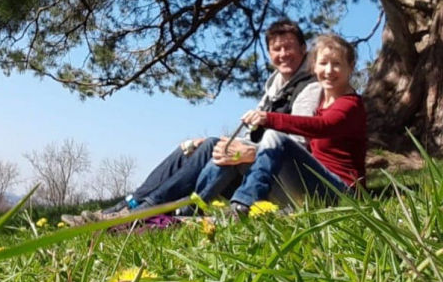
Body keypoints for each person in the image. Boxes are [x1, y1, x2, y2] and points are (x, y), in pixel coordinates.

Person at [63, 20, 322, 223]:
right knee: (193, 147)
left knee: (211, 145)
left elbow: (295, 145)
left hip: (284, 181)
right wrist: (231, 147)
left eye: (289, 46)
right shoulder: (274, 87)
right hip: (258, 171)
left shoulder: (309, 88)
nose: (283, 53)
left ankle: (143, 213)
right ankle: (127, 206)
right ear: (269, 54)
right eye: (276, 48)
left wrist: (246, 152)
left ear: (303, 49)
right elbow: (254, 135)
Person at [200, 33, 366, 216]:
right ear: (314, 66)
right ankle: (194, 206)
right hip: (313, 188)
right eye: (323, 63)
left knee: (273, 136)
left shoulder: (351, 104)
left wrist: (268, 118)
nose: (328, 70)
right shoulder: (321, 104)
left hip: (343, 194)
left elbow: (323, 125)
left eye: (336, 64)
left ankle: (244, 205)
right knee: (233, 150)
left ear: (350, 67)